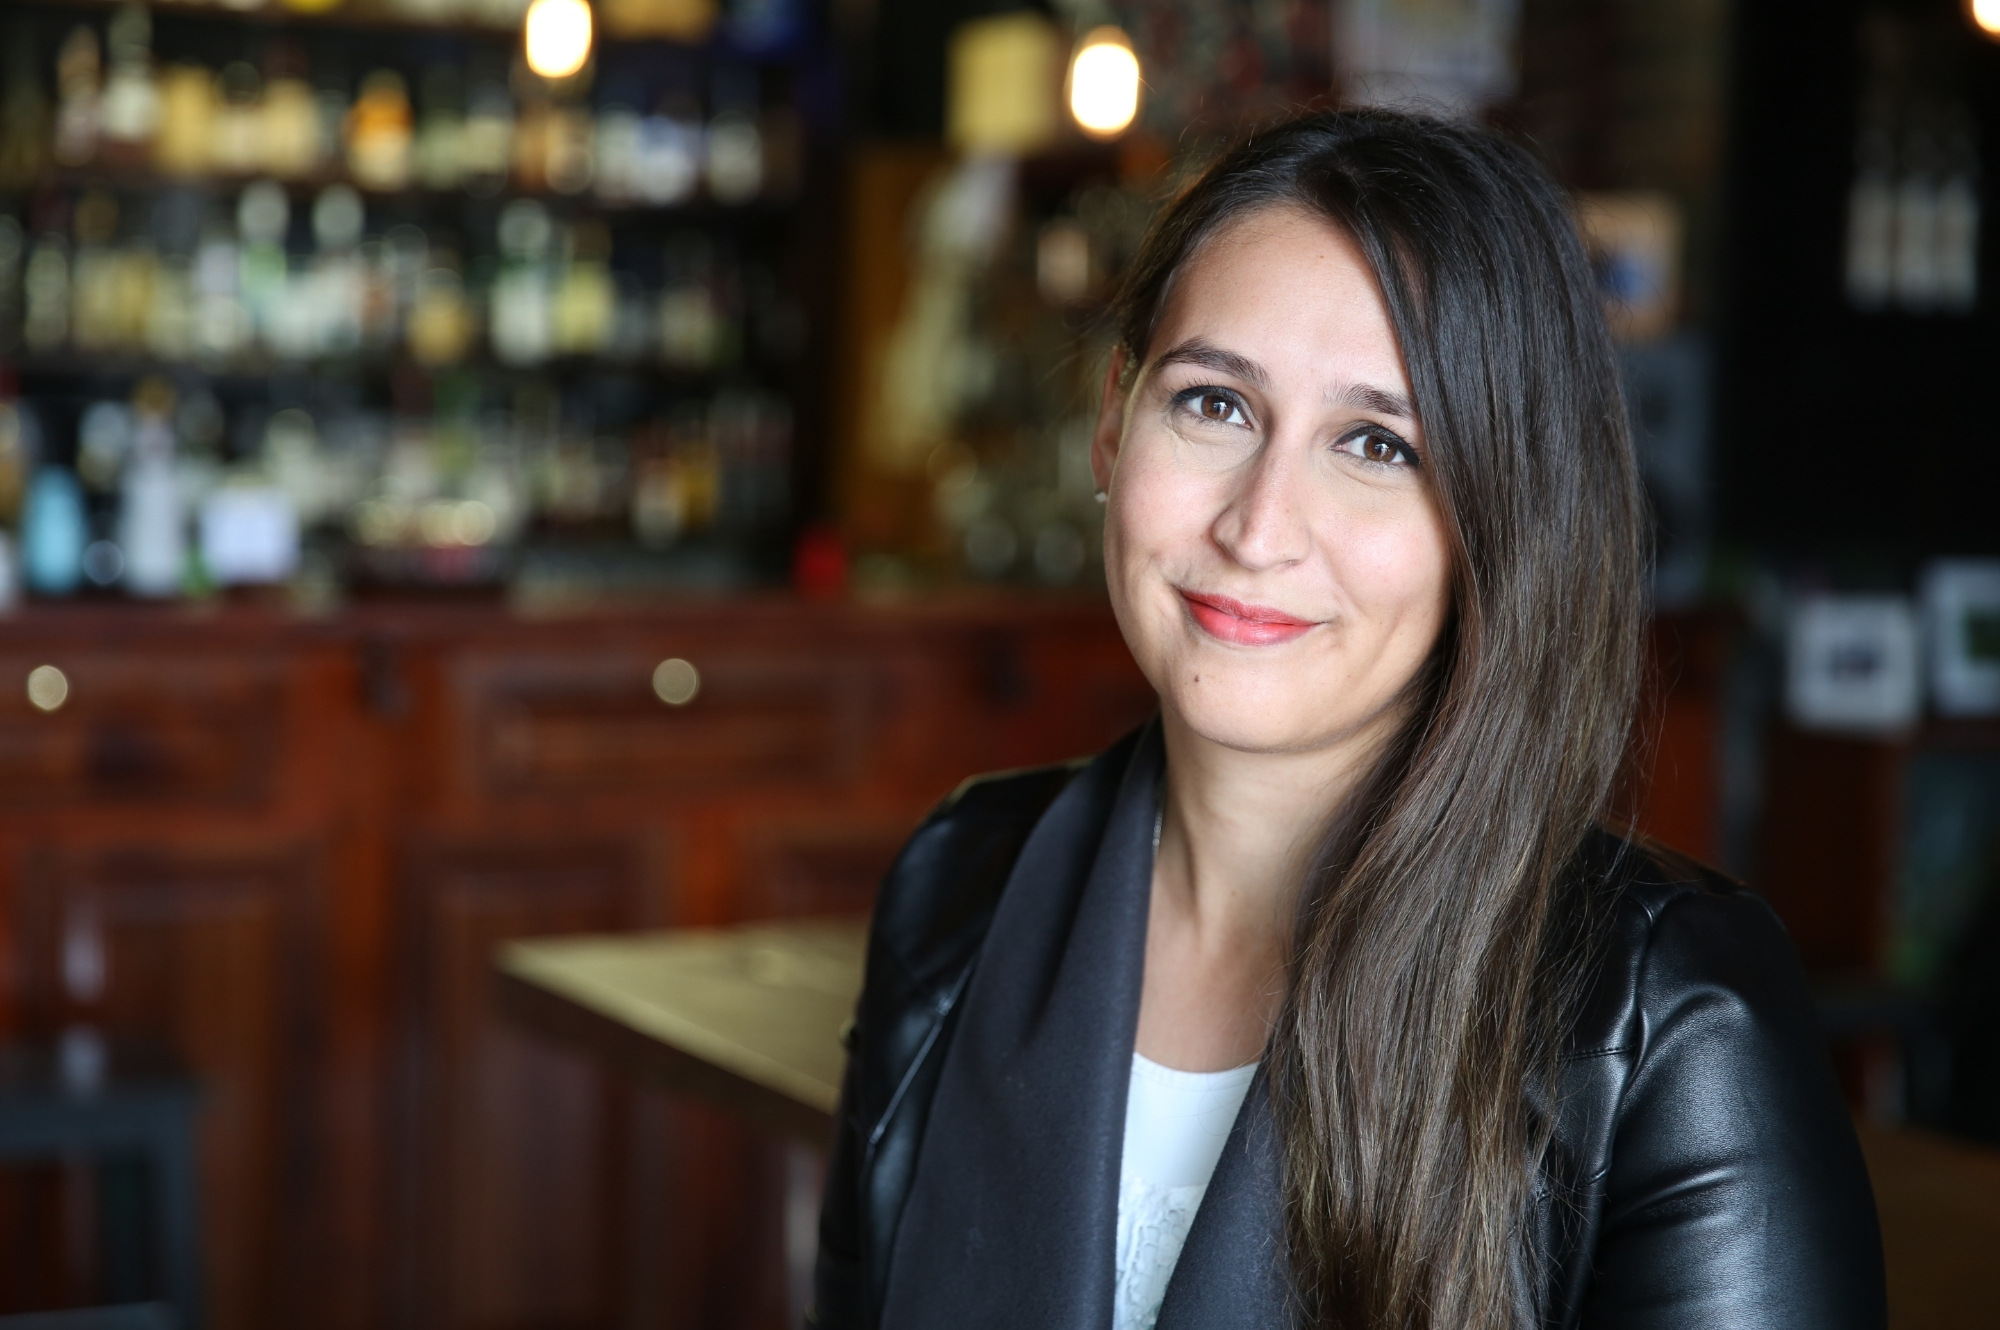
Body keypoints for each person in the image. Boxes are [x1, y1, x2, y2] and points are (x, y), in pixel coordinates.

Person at [810, 109, 1884, 1330]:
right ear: (1114, 417)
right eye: (1213, 405)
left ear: (1498, 521)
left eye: (1376, 444)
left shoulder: (1671, 1024)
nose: (1257, 527)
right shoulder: (962, 883)